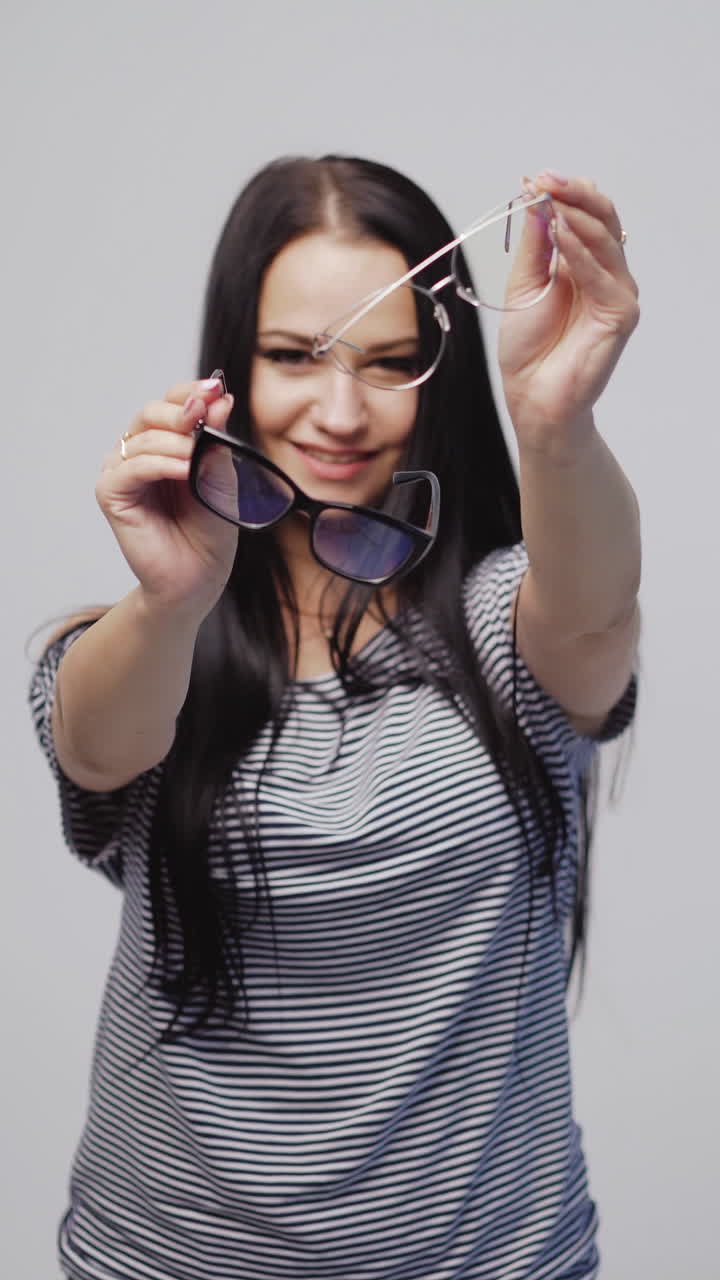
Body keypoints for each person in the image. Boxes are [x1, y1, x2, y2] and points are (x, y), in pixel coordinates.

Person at [30, 155, 640, 1280]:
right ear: (231, 367)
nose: (344, 411)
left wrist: (556, 426)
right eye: (295, 355)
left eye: (392, 361)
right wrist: (170, 600)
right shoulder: (148, 642)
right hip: (163, 1255)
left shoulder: (509, 623)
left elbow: (596, 623)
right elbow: (96, 747)